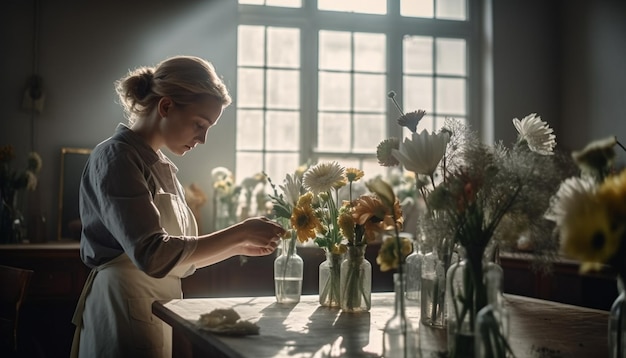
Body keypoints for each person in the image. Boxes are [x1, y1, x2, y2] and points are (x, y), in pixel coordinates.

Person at [70, 55, 285, 358]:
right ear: (166, 106)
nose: (203, 138)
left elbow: (180, 260)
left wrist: (237, 246)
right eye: (200, 123)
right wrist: (240, 232)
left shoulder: (164, 166)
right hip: (121, 305)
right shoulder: (116, 157)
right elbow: (153, 255)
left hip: (159, 308)